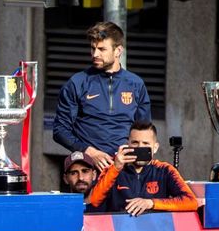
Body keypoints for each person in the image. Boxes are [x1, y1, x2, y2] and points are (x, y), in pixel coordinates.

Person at [52, 21, 153, 171]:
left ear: (118, 50)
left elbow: (144, 131)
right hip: (89, 168)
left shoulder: (136, 84)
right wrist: (88, 151)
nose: (95, 54)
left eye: (101, 49)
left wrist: (136, 161)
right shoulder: (77, 83)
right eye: (93, 49)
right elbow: (60, 130)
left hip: (127, 167)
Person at [82, 123, 197, 216]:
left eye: (145, 143)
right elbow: (94, 202)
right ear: (128, 144)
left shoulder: (164, 170)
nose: (140, 147)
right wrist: (116, 168)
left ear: (155, 147)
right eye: (135, 143)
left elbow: (191, 202)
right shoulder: (113, 167)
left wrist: (150, 203)